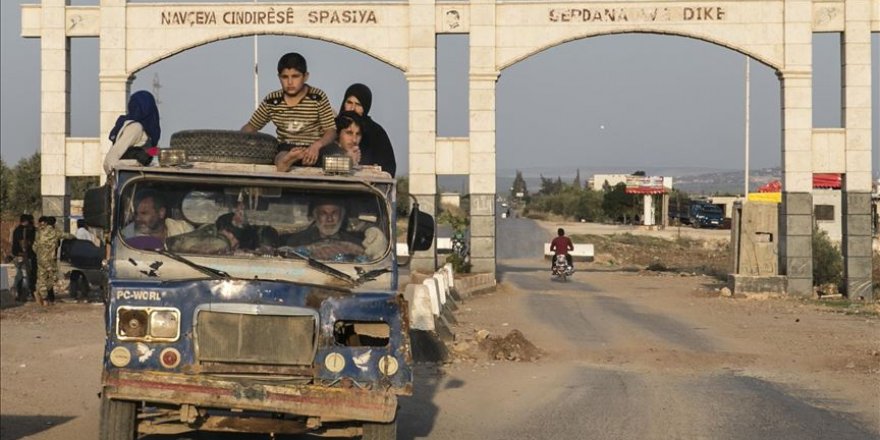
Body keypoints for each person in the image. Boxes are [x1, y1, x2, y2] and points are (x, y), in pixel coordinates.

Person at [242, 52, 337, 171]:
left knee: (334, 155)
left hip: (315, 147)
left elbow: (331, 131)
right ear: (279, 77)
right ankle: (286, 161)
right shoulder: (272, 100)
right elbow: (251, 126)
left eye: (295, 76)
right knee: (280, 154)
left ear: (305, 76)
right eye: (285, 77)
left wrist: (316, 146)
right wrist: (237, 141)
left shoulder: (317, 97)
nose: (290, 82)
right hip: (287, 146)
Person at [282, 198, 387, 261]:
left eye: (334, 213)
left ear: (342, 215)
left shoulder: (356, 242)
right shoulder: (296, 241)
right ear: (315, 216)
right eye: (323, 213)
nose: (329, 219)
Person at [338, 83, 397, 176]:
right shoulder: (332, 127)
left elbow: (388, 168)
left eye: (358, 104)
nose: (352, 108)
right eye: (349, 103)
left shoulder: (376, 133)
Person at [104, 90, 161, 174]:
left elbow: (144, 152)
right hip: (131, 179)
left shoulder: (145, 131)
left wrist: (159, 153)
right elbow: (110, 162)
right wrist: (136, 164)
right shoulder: (135, 128)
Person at [122, 190, 193, 246]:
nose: (137, 218)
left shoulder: (183, 229)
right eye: (136, 213)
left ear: (161, 213)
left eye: (144, 213)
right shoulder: (126, 236)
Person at [34, 216, 68, 305]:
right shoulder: (54, 232)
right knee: (50, 278)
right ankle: (48, 298)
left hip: (42, 258)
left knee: (43, 278)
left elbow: (35, 246)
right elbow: (64, 237)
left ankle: (45, 298)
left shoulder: (40, 232)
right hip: (50, 259)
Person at [10, 214, 36, 303]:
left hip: (17, 256)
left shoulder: (16, 230)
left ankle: (17, 292)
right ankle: (26, 294)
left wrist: (16, 254)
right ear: (26, 221)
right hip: (26, 256)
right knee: (26, 276)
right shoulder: (29, 230)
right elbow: (29, 244)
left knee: (19, 275)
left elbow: (14, 244)